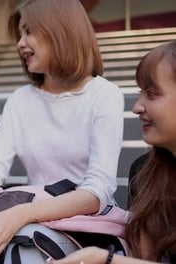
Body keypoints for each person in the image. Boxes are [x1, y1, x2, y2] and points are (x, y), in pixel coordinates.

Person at [0, 0, 124, 263]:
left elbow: (97, 191)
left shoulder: (105, 95)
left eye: (29, 31)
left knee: (25, 245)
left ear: (61, 30)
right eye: (20, 34)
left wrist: (21, 214)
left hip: (83, 225)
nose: (20, 43)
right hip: (30, 214)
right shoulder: (20, 100)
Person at [50, 40, 176, 264]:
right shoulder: (145, 173)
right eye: (140, 93)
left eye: (152, 93)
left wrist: (104, 260)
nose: (137, 107)